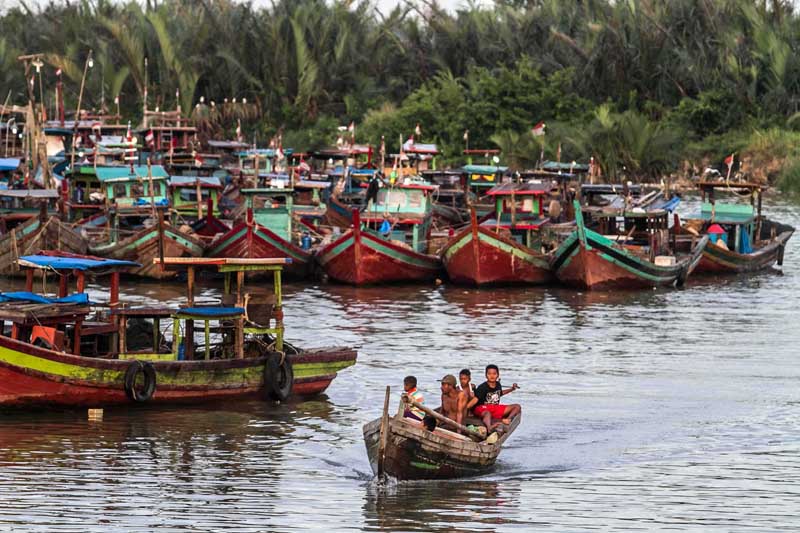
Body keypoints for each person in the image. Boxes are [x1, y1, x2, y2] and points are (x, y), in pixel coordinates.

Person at [467, 364, 521, 433]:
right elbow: (475, 400)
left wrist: (512, 389)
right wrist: (466, 408)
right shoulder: (482, 387)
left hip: (495, 408)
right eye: (489, 374)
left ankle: (507, 420)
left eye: (494, 374)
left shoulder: (498, 385)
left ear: (498, 375)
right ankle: (489, 427)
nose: (492, 376)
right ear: (486, 375)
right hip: (482, 408)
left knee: (517, 406)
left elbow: (500, 394)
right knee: (487, 413)